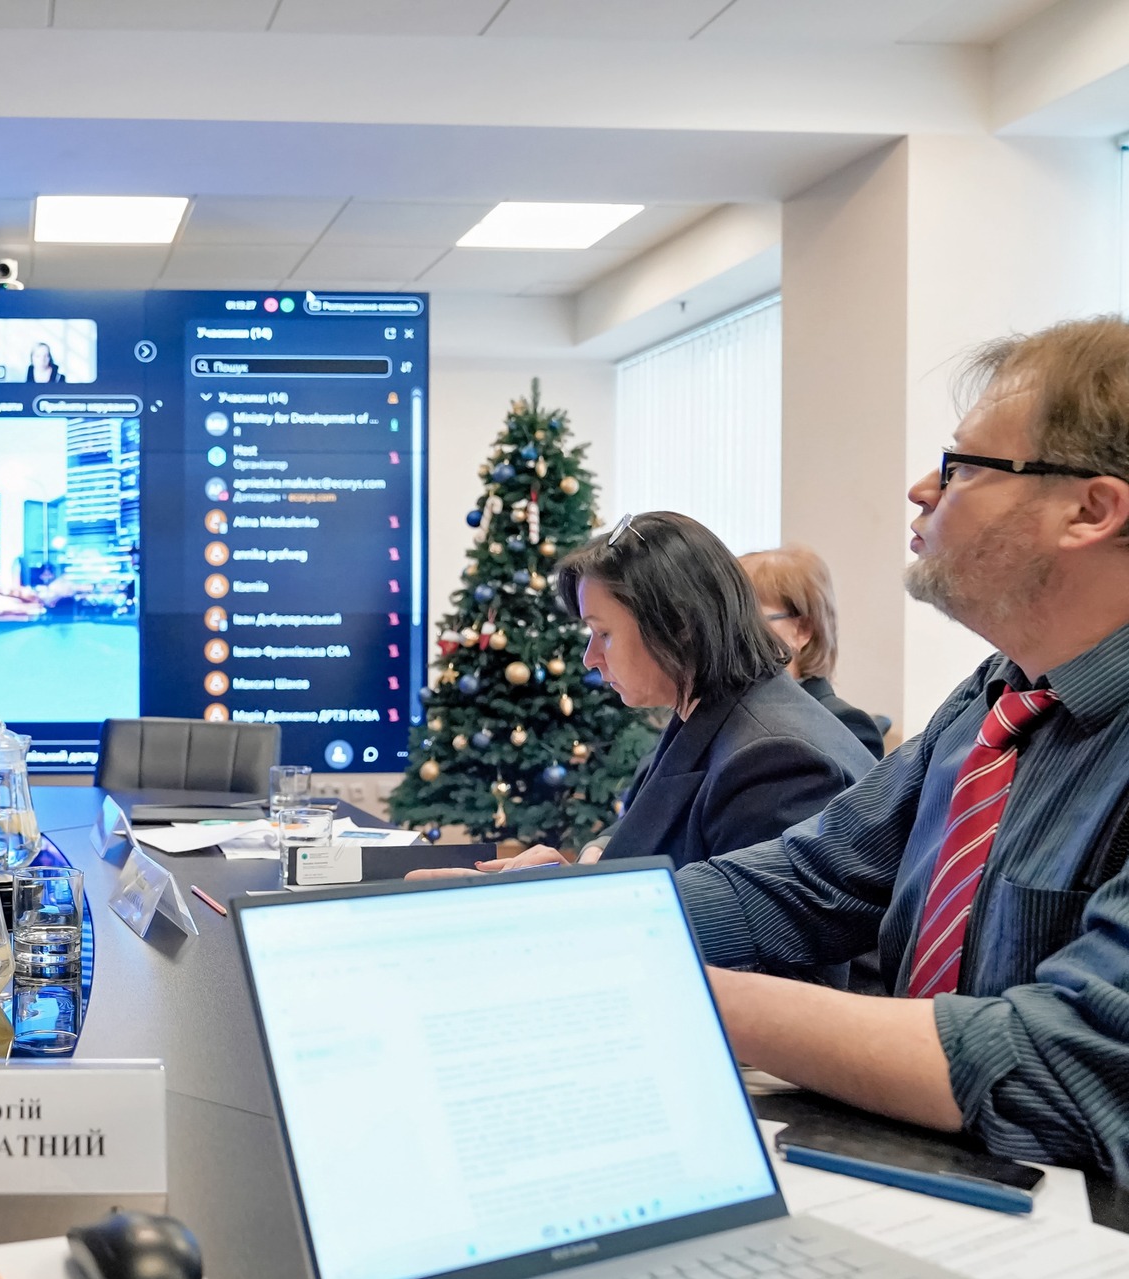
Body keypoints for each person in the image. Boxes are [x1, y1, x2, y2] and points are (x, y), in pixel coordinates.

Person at [678, 316, 1129, 1174]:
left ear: (1090, 510)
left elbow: (1069, 1062)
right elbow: (811, 879)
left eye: (963, 467)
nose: (923, 489)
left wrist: (674, 988)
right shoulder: (996, 695)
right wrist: (570, 919)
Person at [428, 511, 872, 876]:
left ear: (679, 627)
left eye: (603, 633)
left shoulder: (776, 759)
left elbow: (746, 942)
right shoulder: (715, 711)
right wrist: (574, 876)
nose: (589, 658)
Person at [740, 544, 887, 759]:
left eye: (750, 619)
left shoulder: (844, 724)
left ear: (802, 630)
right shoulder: (722, 715)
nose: (734, 632)